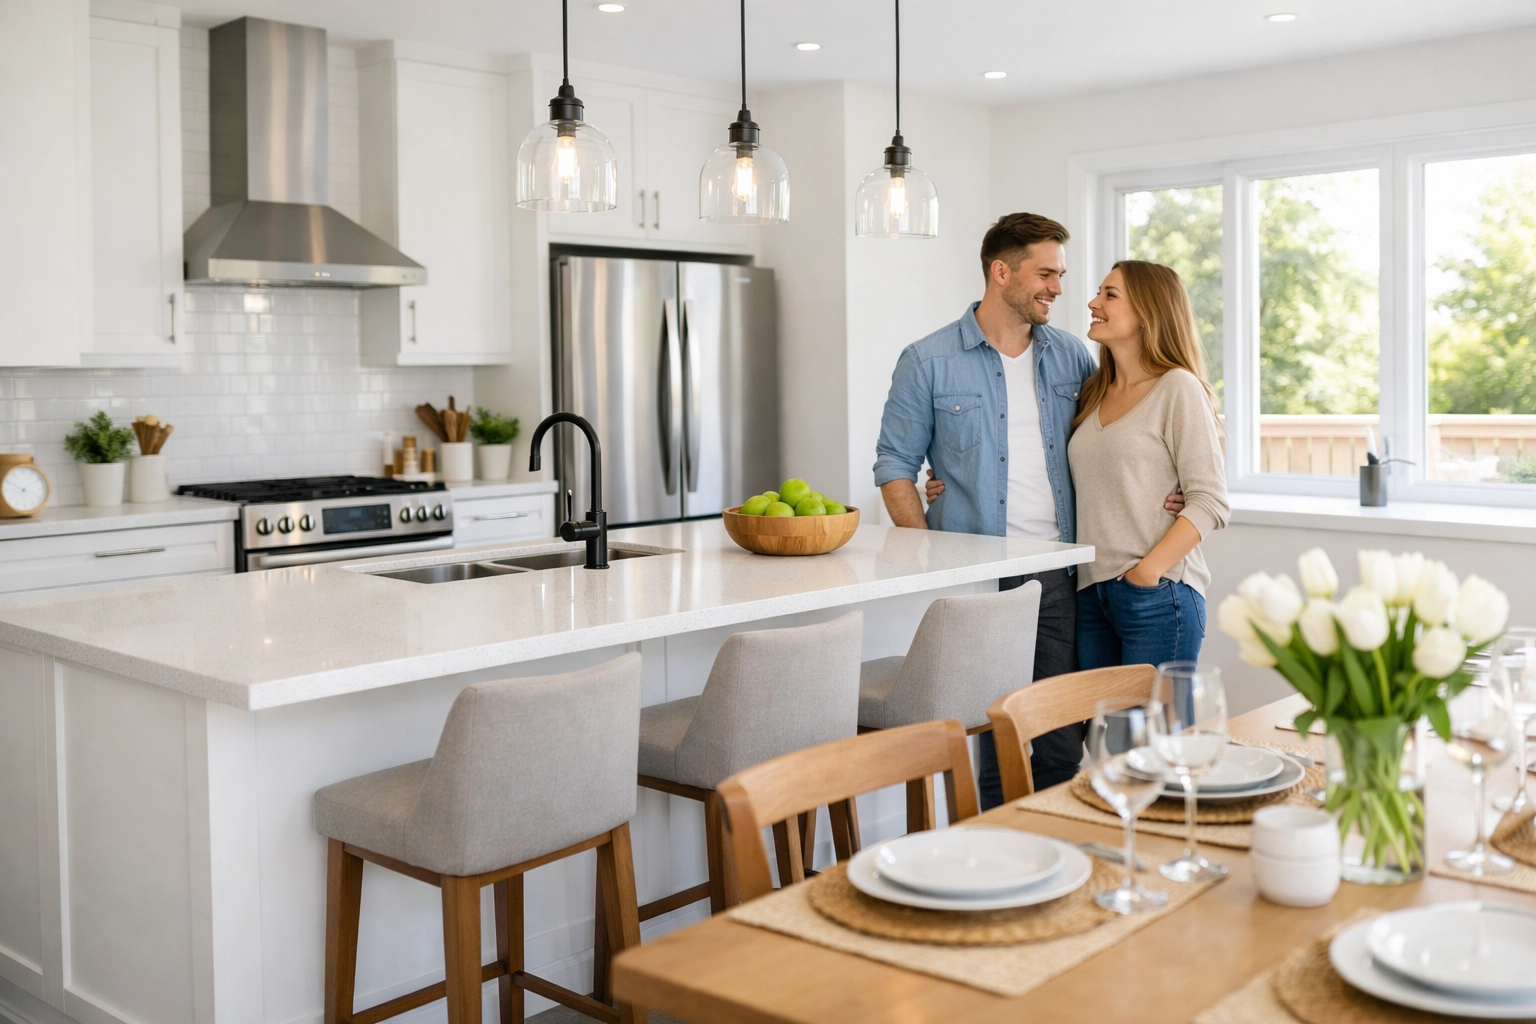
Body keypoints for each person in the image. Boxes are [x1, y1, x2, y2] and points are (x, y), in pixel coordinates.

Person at [873, 214, 1182, 808]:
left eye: (1061, 275)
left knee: (1063, 738)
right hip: (974, 580)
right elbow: (894, 465)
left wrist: (1172, 486)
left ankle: (1058, 861)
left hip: (1062, 577)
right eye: (1045, 273)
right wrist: (928, 553)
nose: (1058, 289)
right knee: (995, 740)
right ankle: (1001, 868)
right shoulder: (928, 360)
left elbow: (1135, 421)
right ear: (1001, 272)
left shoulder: (1073, 358)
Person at [1067, 260, 1228, 670]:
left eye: (1109, 294)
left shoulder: (1178, 387)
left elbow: (1210, 501)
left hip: (1156, 595)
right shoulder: (1093, 393)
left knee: (1157, 735)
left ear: (1147, 312)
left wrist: (1146, 574)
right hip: (1090, 595)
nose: (1092, 302)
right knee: (1108, 736)